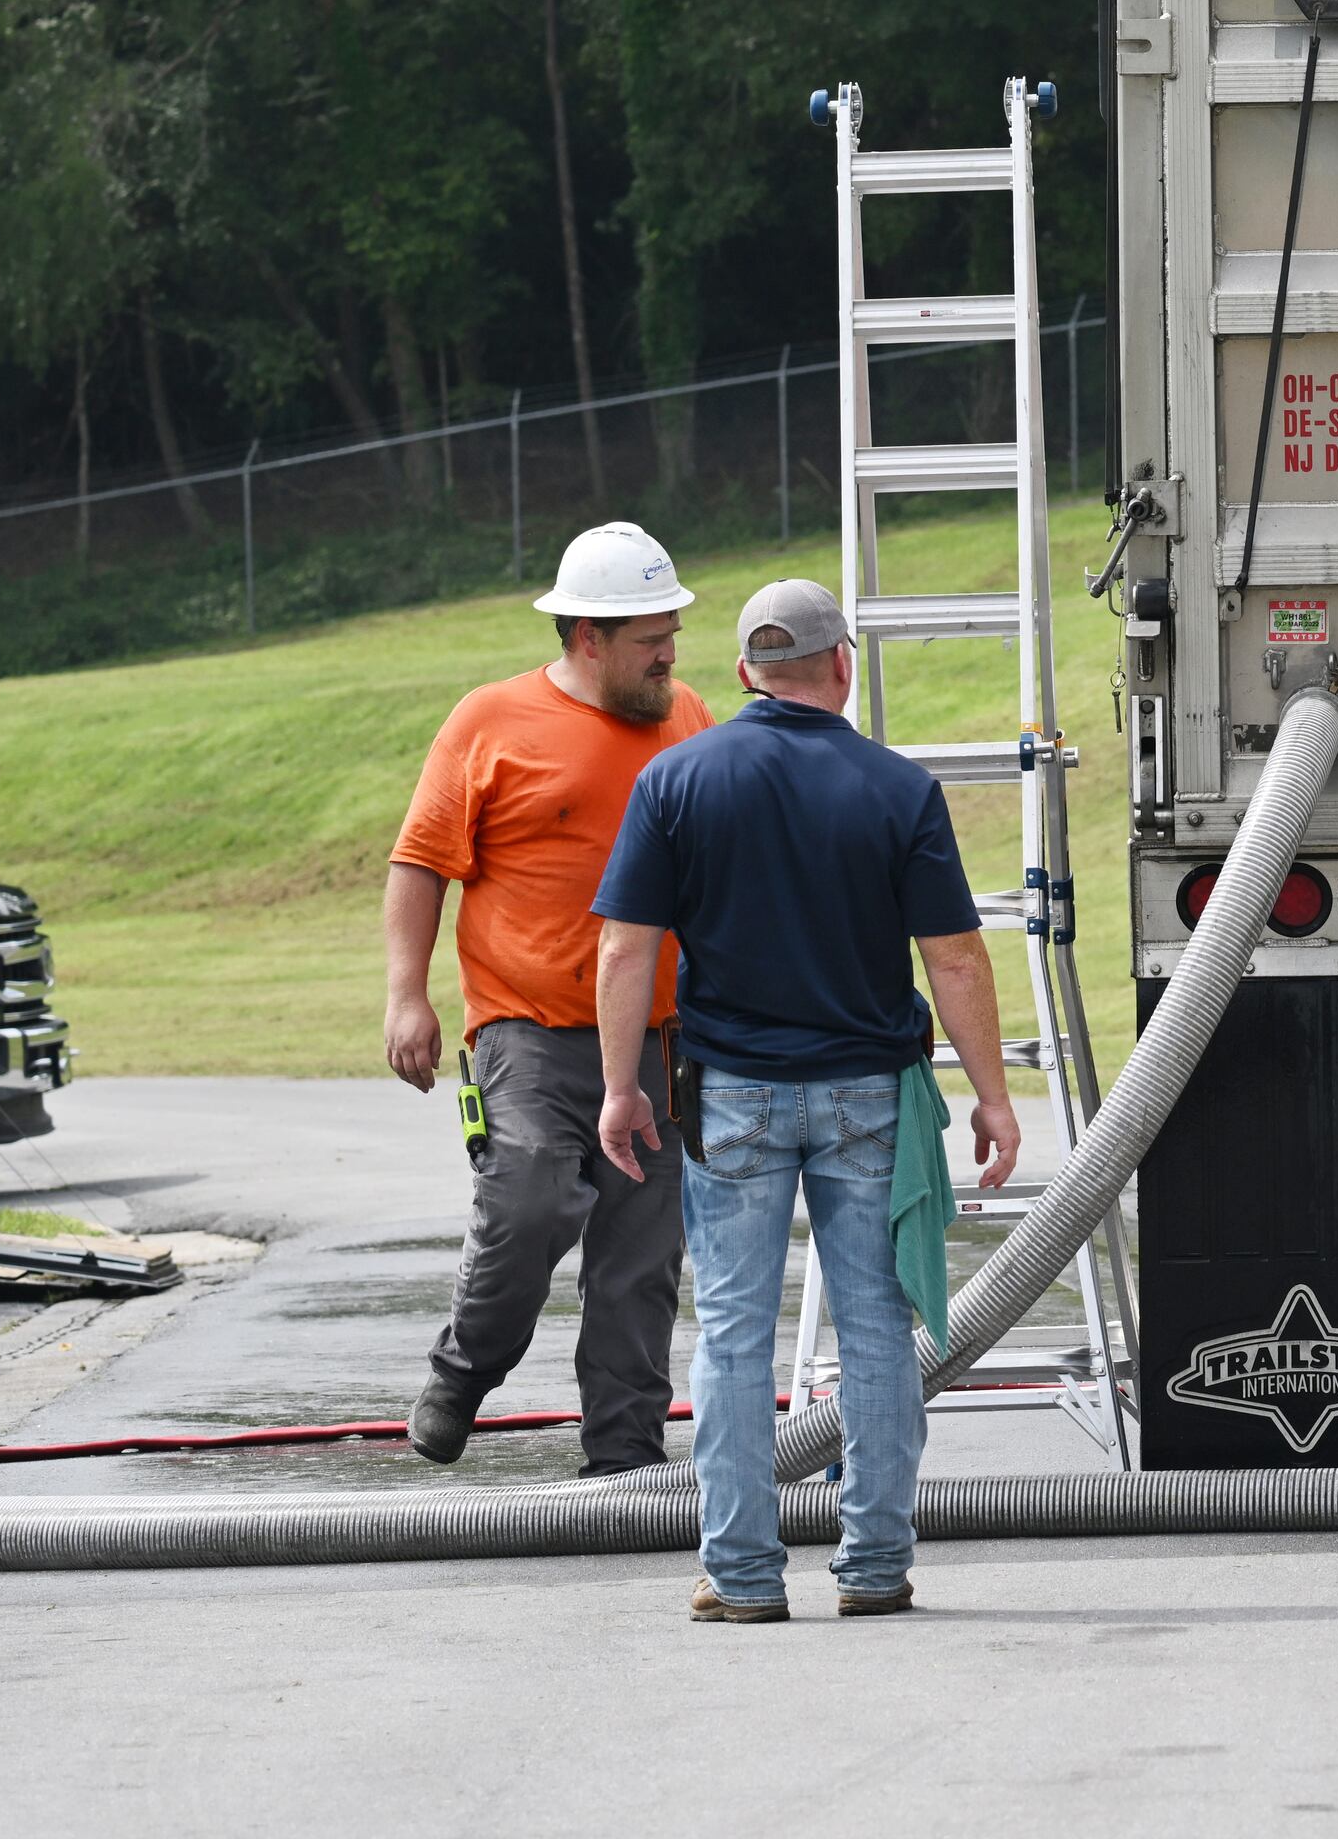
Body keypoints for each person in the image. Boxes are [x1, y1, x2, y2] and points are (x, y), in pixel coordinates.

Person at [591, 579, 1023, 1624]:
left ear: (744, 671)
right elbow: (955, 956)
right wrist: (996, 1098)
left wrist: (619, 1087)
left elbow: (625, 946)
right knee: (876, 1326)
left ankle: (741, 1575)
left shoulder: (675, 780)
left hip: (730, 1090)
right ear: (841, 664)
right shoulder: (895, 789)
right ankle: (874, 1563)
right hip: (867, 1093)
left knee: (735, 1330)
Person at [384, 519, 709, 1473]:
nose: (669, 657)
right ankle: (462, 1373)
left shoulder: (686, 714)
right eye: (650, 642)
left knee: (641, 1262)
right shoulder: (488, 721)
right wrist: (408, 997)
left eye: (672, 636)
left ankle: (623, 1453)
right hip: (529, 1033)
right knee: (528, 1206)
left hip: (657, 1041)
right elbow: (420, 864)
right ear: (587, 638)